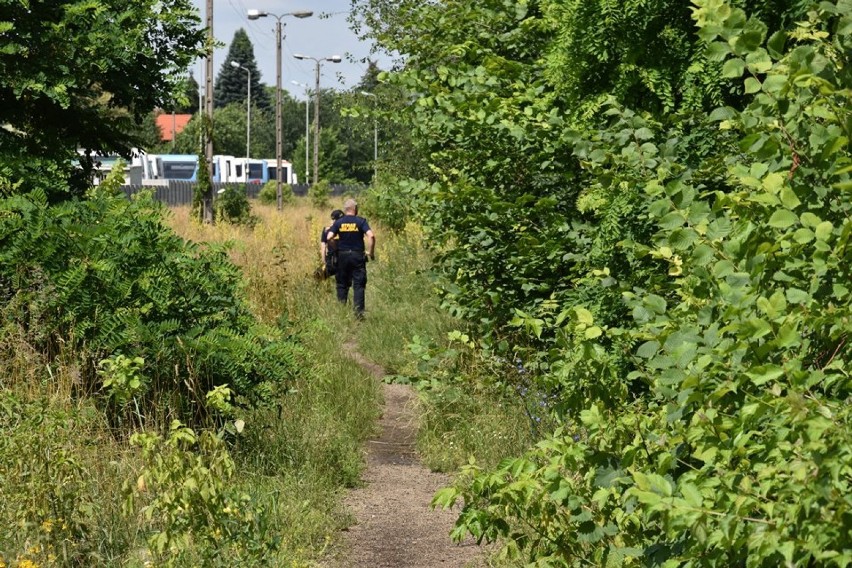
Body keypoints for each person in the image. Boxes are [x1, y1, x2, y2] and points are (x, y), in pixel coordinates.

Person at [326, 198, 375, 318]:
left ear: (346, 209)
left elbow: (329, 237)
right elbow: (371, 236)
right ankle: (358, 313)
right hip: (357, 255)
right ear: (355, 209)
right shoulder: (361, 221)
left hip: (342, 256)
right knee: (358, 284)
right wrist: (371, 252)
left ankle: (341, 312)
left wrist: (336, 247)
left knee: (342, 283)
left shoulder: (339, 222)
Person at [320, 209, 344, 278]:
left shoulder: (326, 230)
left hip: (331, 260)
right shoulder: (345, 229)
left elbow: (323, 247)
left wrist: (324, 262)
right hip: (343, 258)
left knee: (318, 276)